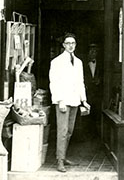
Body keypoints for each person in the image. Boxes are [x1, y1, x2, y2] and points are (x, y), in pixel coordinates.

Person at [49, 33, 90, 172]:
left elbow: (81, 82)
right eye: (68, 43)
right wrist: (59, 100)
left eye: (73, 43)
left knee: (70, 131)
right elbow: (54, 83)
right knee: (62, 131)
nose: (70, 45)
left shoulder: (78, 62)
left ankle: (63, 155)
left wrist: (84, 100)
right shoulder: (57, 62)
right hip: (63, 100)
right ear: (63, 45)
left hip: (74, 100)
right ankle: (59, 161)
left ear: (75, 45)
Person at [83, 43, 103, 137]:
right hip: (86, 93)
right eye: (91, 51)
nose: (93, 53)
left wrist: (100, 80)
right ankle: (86, 132)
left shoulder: (101, 65)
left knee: (96, 113)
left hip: (97, 93)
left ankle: (95, 133)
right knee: (86, 113)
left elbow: (103, 77)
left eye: (95, 51)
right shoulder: (82, 64)